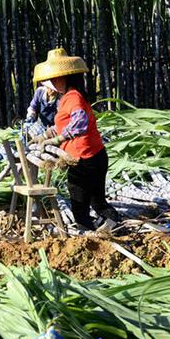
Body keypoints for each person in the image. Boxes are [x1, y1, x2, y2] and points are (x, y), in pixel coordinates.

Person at [32, 48, 120, 231]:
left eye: (56, 77)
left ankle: (88, 234)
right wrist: (46, 135)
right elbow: (65, 123)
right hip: (94, 156)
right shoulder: (71, 97)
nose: (53, 82)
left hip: (84, 159)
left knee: (80, 203)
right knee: (97, 202)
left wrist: (56, 140)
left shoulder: (73, 97)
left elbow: (80, 123)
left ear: (67, 77)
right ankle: (114, 225)